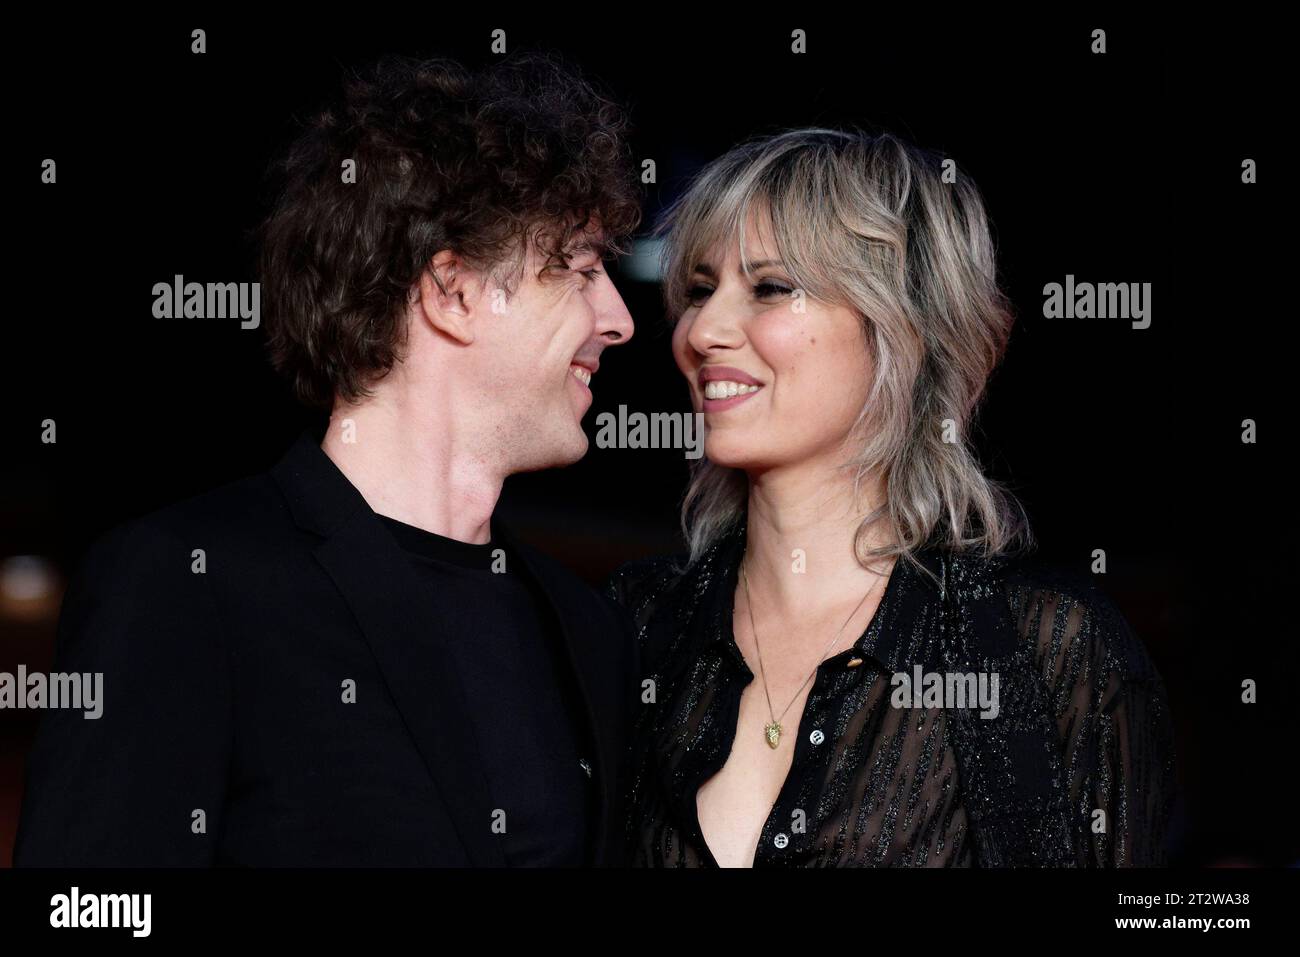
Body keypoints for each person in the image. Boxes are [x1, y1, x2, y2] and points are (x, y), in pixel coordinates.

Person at [14, 52, 642, 866]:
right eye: (583, 270)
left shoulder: (584, 630)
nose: (620, 318)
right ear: (449, 292)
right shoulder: (187, 582)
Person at [607, 128, 1179, 867]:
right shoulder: (635, 624)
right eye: (698, 289)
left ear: (899, 326)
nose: (703, 330)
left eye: (772, 287)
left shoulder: (1050, 652)